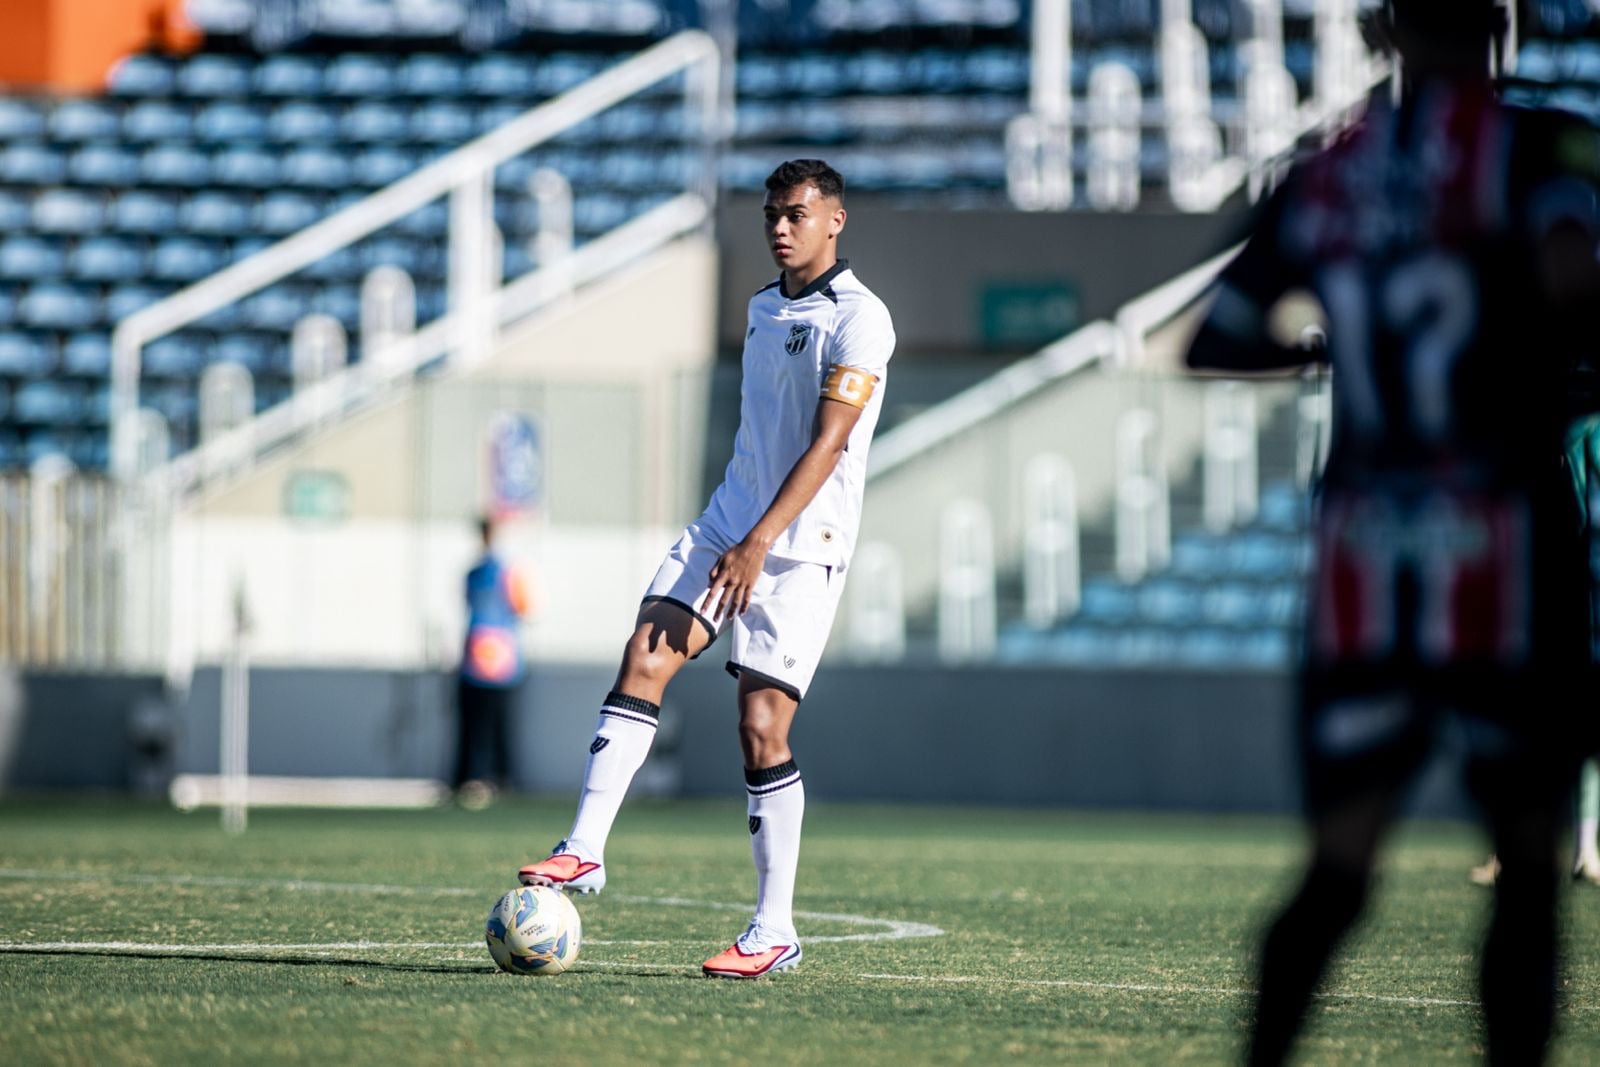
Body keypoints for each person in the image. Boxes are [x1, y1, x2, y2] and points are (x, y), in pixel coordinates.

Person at [1183, 1, 1600, 1062]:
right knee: (1527, 867)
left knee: (1337, 870)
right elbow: (1571, 291)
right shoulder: (1547, 147)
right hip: (1505, 548)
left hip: (1362, 562)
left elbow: (1215, 343)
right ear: (1501, 28)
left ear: (1380, 35)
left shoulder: (1324, 175)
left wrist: (1334, 352)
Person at [515, 159, 895, 979]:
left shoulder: (863, 320)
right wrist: (738, 529)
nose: (780, 228)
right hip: (728, 522)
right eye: (771, 216)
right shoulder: (762, 308)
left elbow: (829, 445)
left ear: (836, 220)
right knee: (647, 651)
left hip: (801, 549)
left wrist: (760, 542)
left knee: (762, 729)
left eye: (796, 214)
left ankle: (775, 928)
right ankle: (583, 849)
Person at [454, 515, 533, 810]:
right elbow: (525, 609)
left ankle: (482, 778)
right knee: (489, 722)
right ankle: (489, 778)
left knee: (485, 723)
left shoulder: (484, 572)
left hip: (488, 657)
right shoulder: (497, 571)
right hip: (494, 657)